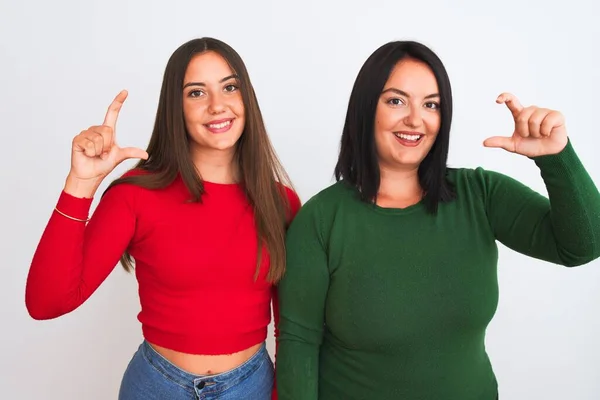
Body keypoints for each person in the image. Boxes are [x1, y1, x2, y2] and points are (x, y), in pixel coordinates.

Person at [274, 40, 600, 400]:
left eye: (431, 104)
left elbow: (583, 246)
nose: (415, 119)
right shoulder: (322, 220)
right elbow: (299, 344)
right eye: (396, 100)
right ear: (367, 109)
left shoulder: (479, 194)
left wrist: (557, 157)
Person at [25, 37, 300, 400]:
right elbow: (46, 303)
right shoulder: (136, 195)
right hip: (157, 387)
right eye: (196, 93)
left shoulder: (280, 202)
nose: (218, 106)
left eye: (230, 87)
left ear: (246, 97)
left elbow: (291, 327)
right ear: (176, 107)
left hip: (251, 387)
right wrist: (81, 183)